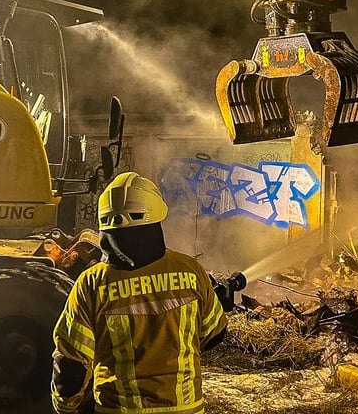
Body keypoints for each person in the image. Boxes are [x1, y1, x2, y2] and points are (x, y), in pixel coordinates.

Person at [51, 172, 229, 414]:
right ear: (156, 218)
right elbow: (213, 336)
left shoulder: (92, 284)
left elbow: (71, 366)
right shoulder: (191, 271)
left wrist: (65, 407)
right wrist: (216, 303)